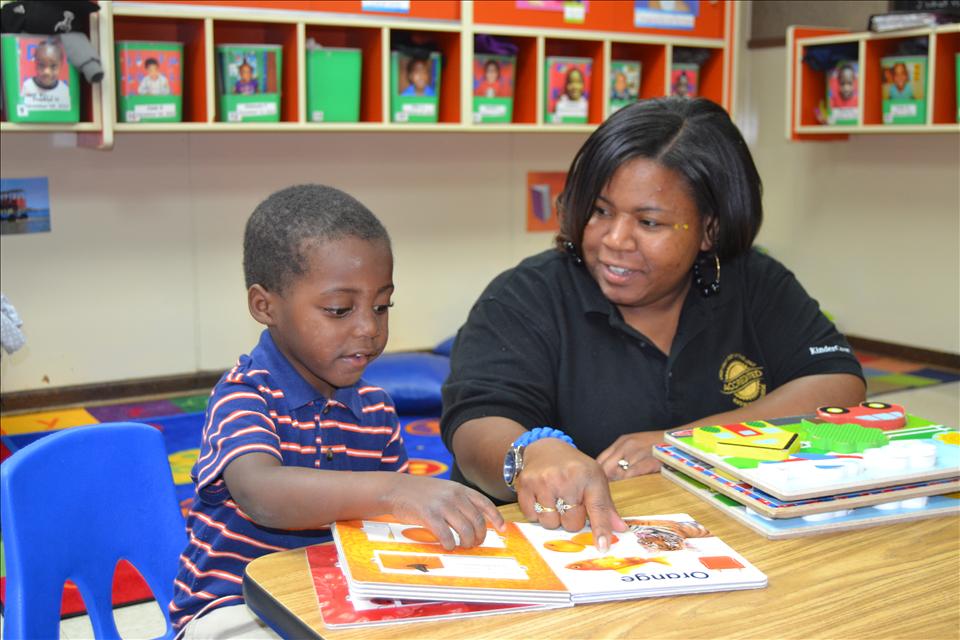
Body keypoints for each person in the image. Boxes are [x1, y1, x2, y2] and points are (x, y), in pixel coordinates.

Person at [440, 97, 865, 553]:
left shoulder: (749, 281)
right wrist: (532, 454)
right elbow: (476, 425)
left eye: (648, 221)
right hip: (565, 548)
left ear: (709, 230)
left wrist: (685, 445)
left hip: (723, 537)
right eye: (600, 211)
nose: (614, 240)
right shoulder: (526, 294)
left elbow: (837, 384)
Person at [171, 185, 504, 637]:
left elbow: (384, 529)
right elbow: (260, 492)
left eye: (382, 306)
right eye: (339, 309)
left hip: (334, 597)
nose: (369, 327)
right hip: (234, 610)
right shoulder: (245, 395)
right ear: (264, 306)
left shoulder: (376, 410)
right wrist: (392, 492)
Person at [20, 38, 70, 107]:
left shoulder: (64, 90)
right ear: (35, 64)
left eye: (53, 66)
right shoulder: (28, 86)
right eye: (41, 65)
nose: (47, 72)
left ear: (61, 65)